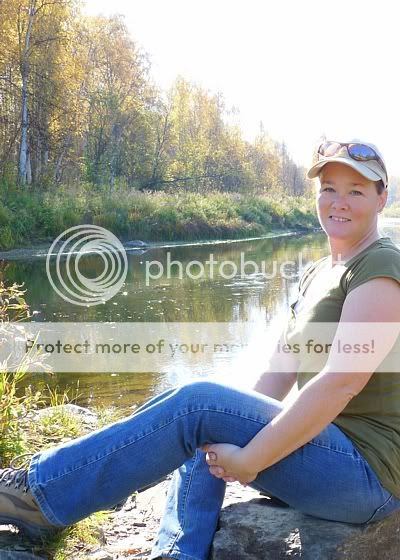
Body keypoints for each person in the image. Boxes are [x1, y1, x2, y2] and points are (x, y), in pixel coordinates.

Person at [1, 139, 400, 560]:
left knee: (198, 406)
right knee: (207, 413)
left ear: (382, 199)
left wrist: (252, 457)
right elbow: (280, 370)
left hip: (369, 474)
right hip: (329, 454)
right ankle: (177, 552)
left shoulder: (380, 265)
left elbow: (341, 381)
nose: (339, 201)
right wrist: (235, 428)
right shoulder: (318, 272)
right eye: (329, 188)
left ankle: (38, 495)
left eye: (356, 191)